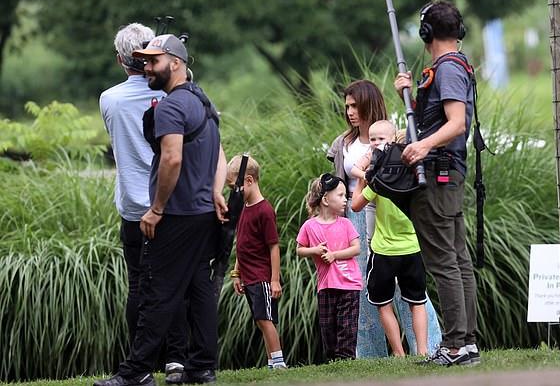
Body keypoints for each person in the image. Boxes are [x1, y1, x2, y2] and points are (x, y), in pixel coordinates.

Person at [95, 33, 226, 386]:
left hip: (177, 215)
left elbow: (171, 157)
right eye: (144, 61)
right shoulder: (201, 99)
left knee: (156, 291)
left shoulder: (169, 106)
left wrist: (156, 209)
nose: (146, 68)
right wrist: (216, 191)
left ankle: (136, 372)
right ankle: (201, 367)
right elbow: (219, 150)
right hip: (202, 214)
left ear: (176, 63)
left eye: (153, 61)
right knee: (199, 290)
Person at [98, 23, 187, 382]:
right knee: (173, 283)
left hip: (133, 208)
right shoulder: (173, 96)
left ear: (121, 59)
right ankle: (177, 361)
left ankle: (142, 364)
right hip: (171, 204)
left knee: (138, 286)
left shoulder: (110, 99)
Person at [394, 0, 479, 366]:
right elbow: (436, 119)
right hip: (449, 172)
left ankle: (456, 345)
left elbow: (457, 122)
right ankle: (467, 342)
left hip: (437, 176)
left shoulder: (447, 70)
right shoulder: (452, 67)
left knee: (445, 262)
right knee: (457, 260)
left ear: (425, 33)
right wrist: (408, 96)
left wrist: (421, 146)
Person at [326, 79, 432, 357]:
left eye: (355, 105)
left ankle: (425, 345)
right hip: (354, 214)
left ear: (368, 104)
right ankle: (372, 352)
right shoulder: (344, 142)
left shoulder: (393, 137)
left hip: (387, 214)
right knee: (364, 288)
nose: (350, 111)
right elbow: (339, 180)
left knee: (406, 290)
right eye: (347, 106)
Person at [351, 120, 429, 357]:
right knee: (417, 302)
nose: (375, 143)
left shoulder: (380, 179)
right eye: (372, 139)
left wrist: (363, 179)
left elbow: (355, 206)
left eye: (379, 139)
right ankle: (423, 351)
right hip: (412, 248)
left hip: (383, 251)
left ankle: (398, 351)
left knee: (384, 304)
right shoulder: (415, 178)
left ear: (393, 140)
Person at [226, 155, 287, 370]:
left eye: (235, 187)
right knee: (260, 320)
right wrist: (236, 273)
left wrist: (274, 280)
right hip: (248, 276)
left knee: (265, 319)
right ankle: (271, 361)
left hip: (262, 276)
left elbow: (273, 246)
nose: (233, 193)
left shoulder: (264, 211)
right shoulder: (244, 209)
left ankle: (279, 362)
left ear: (249, 181)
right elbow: (241, 244)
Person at [296, 173, 362, 361]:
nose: (345, 200)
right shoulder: (309, 226)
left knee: (347, 326)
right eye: (340, 196)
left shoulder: (346, 224)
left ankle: (346, 359)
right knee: (328, 328)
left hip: (349, 284)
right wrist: (315, 250)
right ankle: (333, 361)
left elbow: (356, 249)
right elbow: (300, 250)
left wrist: (334, 255)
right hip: (325, 286)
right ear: (325, 199)